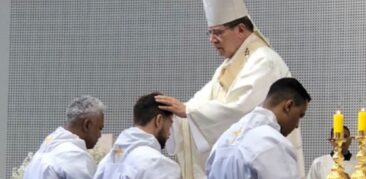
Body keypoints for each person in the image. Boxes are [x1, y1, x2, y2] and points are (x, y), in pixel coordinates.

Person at [154, 0, 308, 178]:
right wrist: (174, 115)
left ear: (241, 29)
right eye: (210, 33)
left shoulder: (264, 61)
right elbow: (199, 104)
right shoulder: (227, 67)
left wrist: (188, 111)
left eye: (218, 32)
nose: (212, 40)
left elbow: (237, 111)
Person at [206, 77, 311, 179]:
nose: (297, 125)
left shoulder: (225, 138)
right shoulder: (273, 142)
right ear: (288, 106)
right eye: (300, 115)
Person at [93, 92, 180, 179]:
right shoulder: (160, 165)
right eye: (170, 123)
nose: (170, 133)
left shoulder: (107, 161)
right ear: (159, 120)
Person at [23, 95, 106, 179]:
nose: (100, 135)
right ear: (87, 125)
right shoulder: (75, 156)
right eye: (99, 128)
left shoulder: (41, 153)